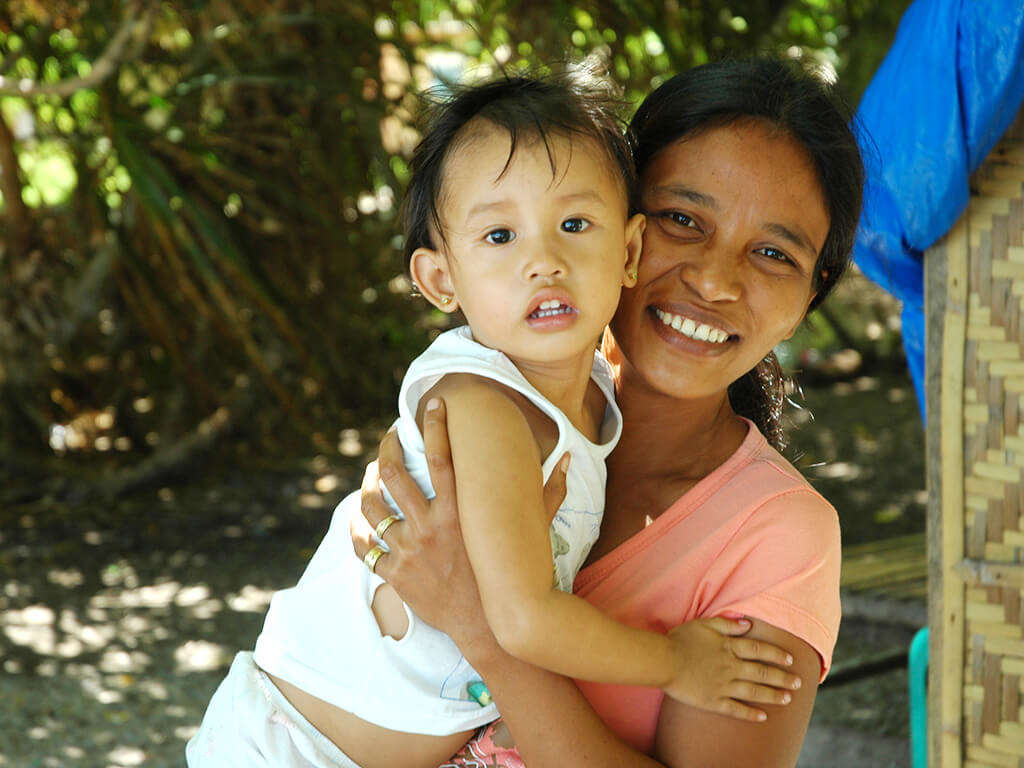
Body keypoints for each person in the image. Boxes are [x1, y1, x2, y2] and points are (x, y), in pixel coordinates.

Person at [187, 70, 798, 768]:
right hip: (290, 750)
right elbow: (524, 619)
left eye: (574, 224)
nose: (544, 261)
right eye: (500, 235)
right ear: (442, 281)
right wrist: (676, 663)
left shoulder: (593, 388)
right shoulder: (482, 405)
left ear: (627, 253)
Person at [352, 55, 865, 768]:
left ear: (810, 296)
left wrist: (483, 629)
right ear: (619, 228)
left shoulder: (779, 537)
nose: (715, 280)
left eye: (774, 253)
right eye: (682, 219)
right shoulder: (490, 409)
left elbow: (485, 617)